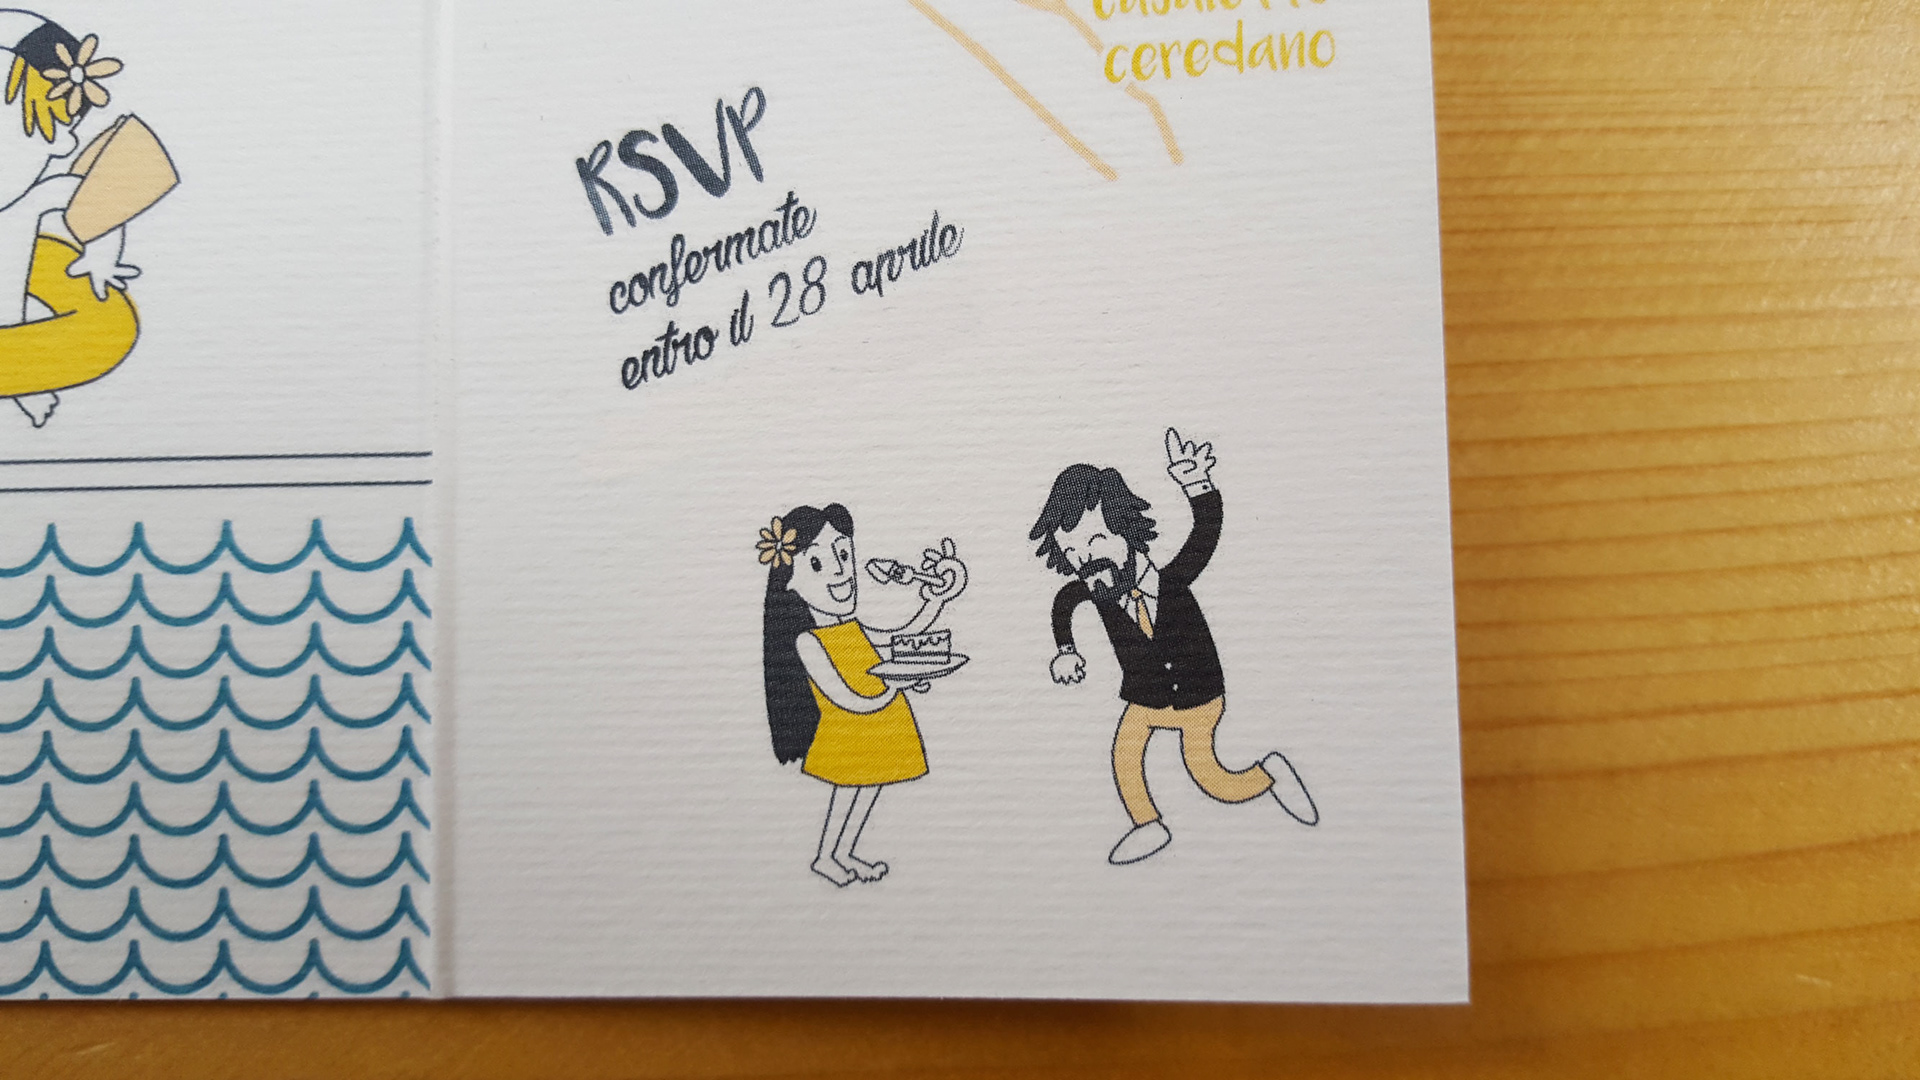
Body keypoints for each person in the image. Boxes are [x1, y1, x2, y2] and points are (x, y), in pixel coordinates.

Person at [1031, 428, 1318, 865]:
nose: (1086, 560)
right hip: (1145, 698)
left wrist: (1197, 485)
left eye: (1096, 542)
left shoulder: (1173, 580)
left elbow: (1204, 535)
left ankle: (1269, 775)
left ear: (1127, 530)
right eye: (1072, 552)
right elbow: (1064, 601)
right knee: (1126, 754)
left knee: (1210, 777)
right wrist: (1066, 649)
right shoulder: (1097, 591)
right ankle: (1147, 824)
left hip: (1198, 694)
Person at [759, 504, 966, 886]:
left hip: (877, 726)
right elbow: (846, 698)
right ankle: (826, 857)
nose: (841, 570)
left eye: (844, 555)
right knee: (849, 789)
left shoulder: (851, 628)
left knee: (870, 787)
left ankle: (845, 852)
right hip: (847, 731)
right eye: (818, 564)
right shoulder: (808, 641)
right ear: (789, 583)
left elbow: (901, 636)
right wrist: (894, 687)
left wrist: (937, 599)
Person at [0, 10, 145, 428]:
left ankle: (21, 381)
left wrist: (101, 259)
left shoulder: (33, 203)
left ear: (60, 139)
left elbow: (97, 199)